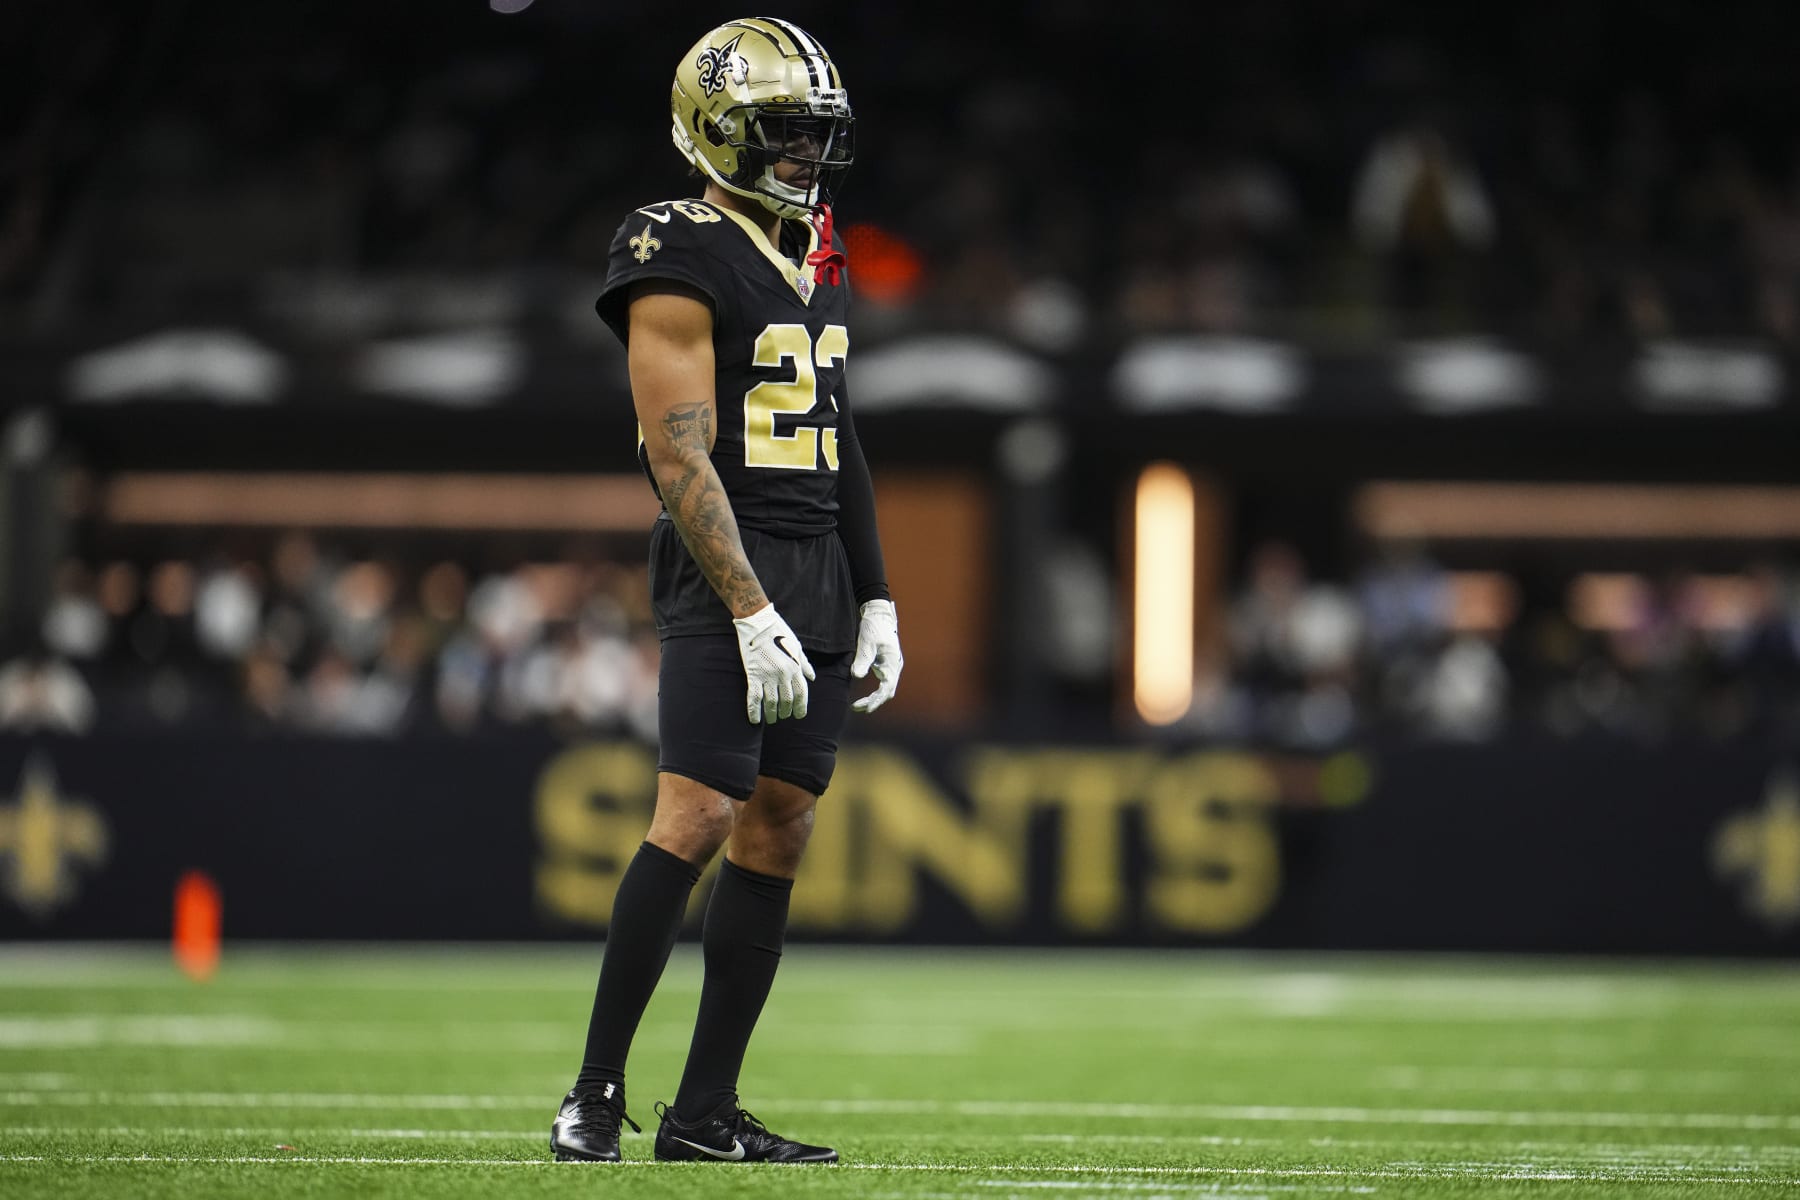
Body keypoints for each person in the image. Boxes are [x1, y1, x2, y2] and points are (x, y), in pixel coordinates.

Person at [549, 17, 902, 1167]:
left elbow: (837, 432)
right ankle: (593, 1094)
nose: (804, 154)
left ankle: (703, 1114)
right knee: (694, 815)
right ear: (717, 135)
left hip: (821, 568)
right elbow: (675, 450)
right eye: (782, 133)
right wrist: (748, 606)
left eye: (815, 133)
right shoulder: (674, 242)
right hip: (725, 565)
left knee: (783, 826)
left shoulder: (817, 244)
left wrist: (879, 592)